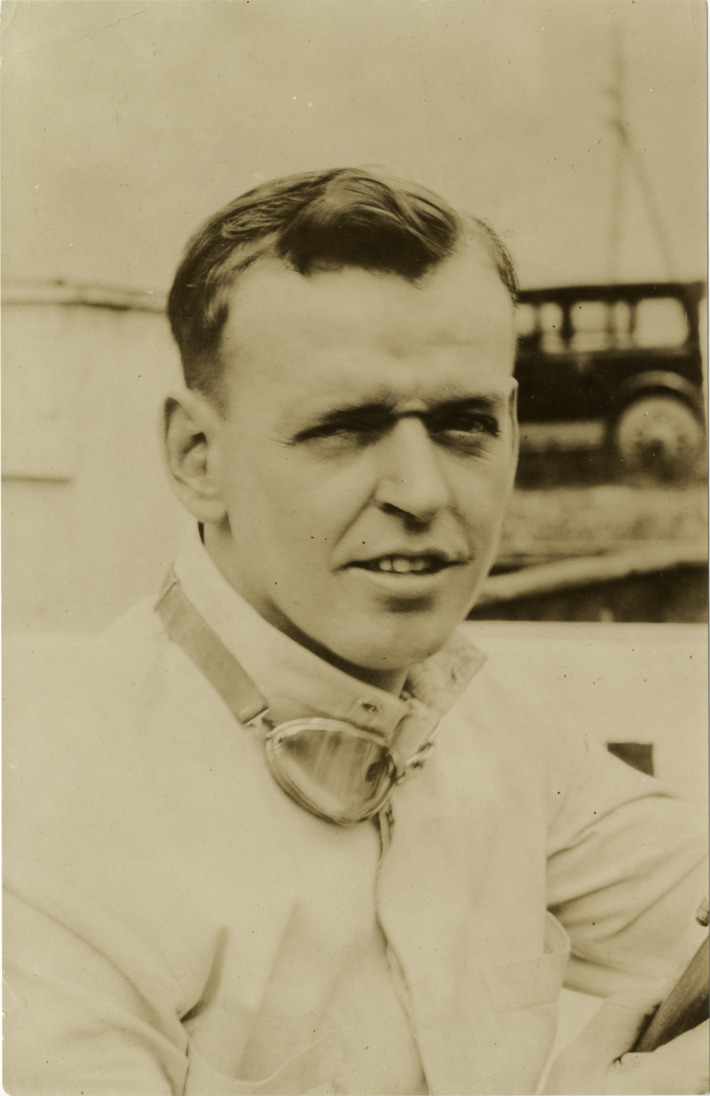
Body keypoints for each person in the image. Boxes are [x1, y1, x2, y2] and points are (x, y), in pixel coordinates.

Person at [3, 168, 707, 1096]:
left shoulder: (496, 726)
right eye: (344, 427)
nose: (422, 492)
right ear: (197, 457)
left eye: (464, 425)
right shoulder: (47, 822)